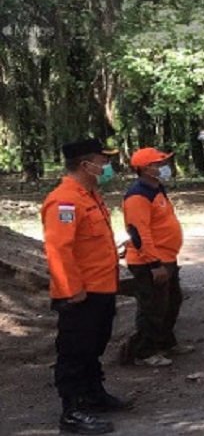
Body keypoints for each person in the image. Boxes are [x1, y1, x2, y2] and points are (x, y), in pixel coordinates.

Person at [41, 138, 132, 435]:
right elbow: (59, 250)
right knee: (75, 351)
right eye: (102, 160)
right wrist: (71, 290)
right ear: (85, 164)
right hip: (81, 294)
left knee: (94, 345)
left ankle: (94, 394)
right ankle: (72, 410)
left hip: (102, 287)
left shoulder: (90, 195)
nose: (107, 166)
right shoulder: (64, 200)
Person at [119, 147, 190, 367]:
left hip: (166, 256)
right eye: (159, 164)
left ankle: (165, 342)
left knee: (171, 301)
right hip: (150, 262)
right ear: (146, 169)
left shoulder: (157, 189)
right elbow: (139, 232)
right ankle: (143, 352)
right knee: (153, 307)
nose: (164, 167)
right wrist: (153, 264)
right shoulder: (138, 195)